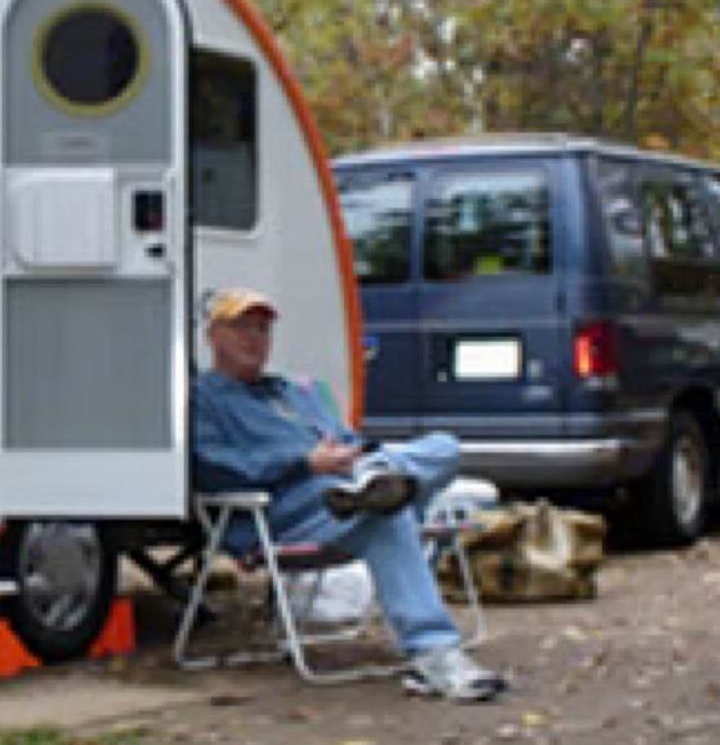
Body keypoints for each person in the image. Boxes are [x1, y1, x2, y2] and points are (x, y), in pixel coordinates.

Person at [191, 287, 508, 701]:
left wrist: (355, 455)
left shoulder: (292, 392)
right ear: (213, 336)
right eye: (242, 328)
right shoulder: (203, 398)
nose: (255, 338)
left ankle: (375, 481)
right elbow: (212, 468)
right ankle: (437, 655)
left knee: (443, 447)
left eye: (263, 329)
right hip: (283, 509)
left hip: (343, 489)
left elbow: (346, 439)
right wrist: (303, 461)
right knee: (387, 513)